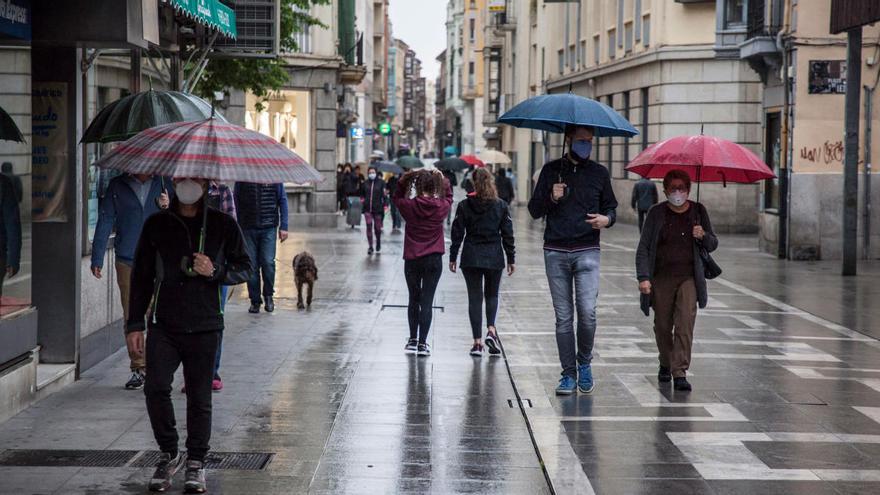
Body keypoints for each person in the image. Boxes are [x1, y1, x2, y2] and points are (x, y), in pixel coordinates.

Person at [127, 177, 252, 494]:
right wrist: (134, 324)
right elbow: (141, 275)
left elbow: (245, 267)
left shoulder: (222, 224)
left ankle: (196, 461)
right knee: (155, 388)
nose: (187, 183)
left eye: (194, 177)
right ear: (173, 180)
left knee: (199, 397)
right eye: (182, 177)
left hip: (206, 324)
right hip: (164, 323)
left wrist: (216, 272)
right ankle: (169, 452)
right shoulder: (157, 224)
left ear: (206, 182)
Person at [528, 124, 617, 396]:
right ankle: (568, 373)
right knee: (563, 318)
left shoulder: (599, 173)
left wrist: (607, 219)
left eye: (589, 141)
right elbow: (533, 210)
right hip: (555, 251)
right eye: (581, 140)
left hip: (587, 249)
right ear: (568, 140)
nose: (586, 145)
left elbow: (611, 206)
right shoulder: (551, 170)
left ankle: (585, 363)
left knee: (587, 313)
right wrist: (551, 198)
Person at [636, 170, 717, 392]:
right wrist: (643, 277)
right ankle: (665, 361)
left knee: (685, 323)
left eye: (682, 188)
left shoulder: (699, 212)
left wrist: (703, 235)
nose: (678, 192)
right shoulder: (656, 213)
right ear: (665, 190)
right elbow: (643, 247)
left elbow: (712, 243)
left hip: (689, 278)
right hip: (661, 278)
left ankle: (679, 371)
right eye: (673, 188)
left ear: (689, 190)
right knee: (662, 326)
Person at [91, 174, 171, 390]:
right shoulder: (117, 185)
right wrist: (98, 255)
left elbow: (180, 220)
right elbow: (106, 218)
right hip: (128, 259)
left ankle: (158, 364)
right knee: (132, 314)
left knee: (157, 313)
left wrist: (168, 207)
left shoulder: (164, 183)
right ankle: (139, 367)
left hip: (158, 258)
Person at [449, 168, 515, 357]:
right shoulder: (501, 205)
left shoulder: (464, 205)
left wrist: (453, 256)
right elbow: (507, 234)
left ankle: (477, 343)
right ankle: (491, 330)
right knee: (492, 295)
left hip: (471, 256)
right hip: (494, 255)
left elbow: (457, 233)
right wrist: (511, 258)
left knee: (475, 298)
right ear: (491, 182)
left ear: (473, 182)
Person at [393, 169, 453, 357]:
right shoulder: (441, 206)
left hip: (412, 258)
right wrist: (442, 179)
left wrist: (407, 178)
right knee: (427, 301)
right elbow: (449, 196)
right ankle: (423, 343)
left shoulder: (409, 206)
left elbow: (396, 196)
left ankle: (412, 339)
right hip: (433, 258)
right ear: (434, 186)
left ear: (418, 187)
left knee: (414, 299)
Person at [234, 182, 289, 314]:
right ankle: (255, 300)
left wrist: (284, 226)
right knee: (251, 265)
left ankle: (269, 296)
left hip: (269, 227)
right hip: (247, 227)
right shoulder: (242, 177)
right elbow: (236, 201)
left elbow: (282, 200)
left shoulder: (273, 176)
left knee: (268, 262)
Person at [204, 182, 236, 392]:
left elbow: (233, 228)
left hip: (217, 265)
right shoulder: (183, 190)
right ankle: (195, 372)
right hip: (190, 266)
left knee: (216, 318)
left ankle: (212, 371)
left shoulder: (222, 191)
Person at [0, 172, 21, 305]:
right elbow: (12, 223)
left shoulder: (3, 183)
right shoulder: (4, 183)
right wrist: (12, 260)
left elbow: (12, 223)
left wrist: (12, 259)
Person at [360, 165, 387, 255]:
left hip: (378, 209)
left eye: (373, 172)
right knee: (368, 225)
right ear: (368, 173)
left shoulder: (381, 183)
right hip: (367, 209)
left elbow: (384, 195)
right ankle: (370, 246)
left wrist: (386, 205)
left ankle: (378, 241)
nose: (372, 174)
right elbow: (361, 194)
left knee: (377, 228)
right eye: (370, 172)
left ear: (376, 173)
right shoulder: (365, 183)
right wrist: (362, 200)